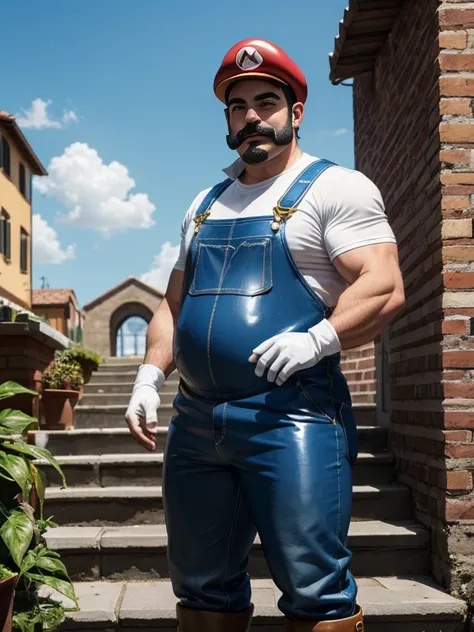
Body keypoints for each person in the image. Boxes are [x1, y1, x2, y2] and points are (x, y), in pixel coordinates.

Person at [125, 38, 404, 632]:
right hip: (197, 423)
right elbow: (172, 305)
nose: (251, 115)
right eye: (238, 104)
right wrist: (150, 374)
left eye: (267, 101)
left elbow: (382, 284)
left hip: (293, 415)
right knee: (200, 584)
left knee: (314, 585)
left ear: (296, 112)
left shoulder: (336, 188)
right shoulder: (204, 203)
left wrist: (318, 339)